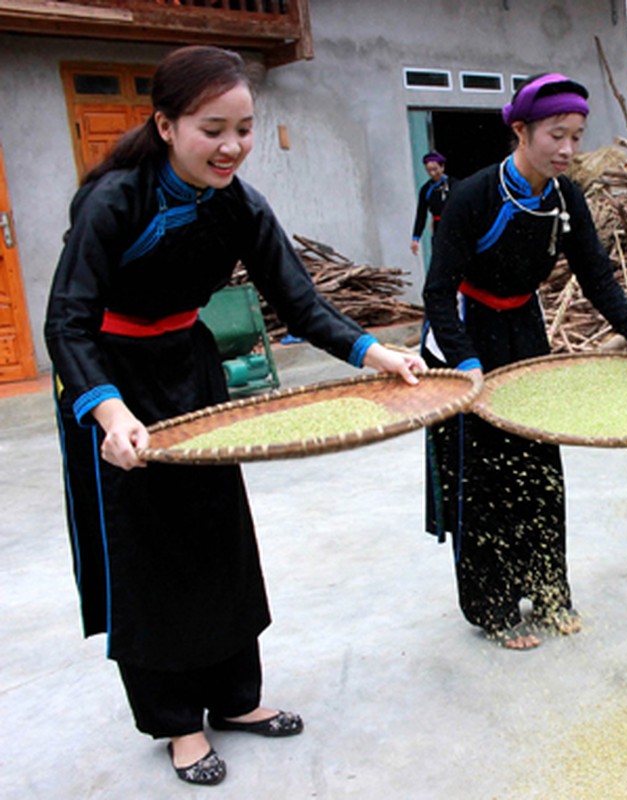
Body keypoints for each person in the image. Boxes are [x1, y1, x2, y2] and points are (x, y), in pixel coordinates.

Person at [44, 45, 424, 787]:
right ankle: (177, 723)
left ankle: (235, 699)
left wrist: (375, 353)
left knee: (217, 534)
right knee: (149, 555)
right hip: (114, 386)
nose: (232, 147)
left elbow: (299, 300)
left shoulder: (239, 203)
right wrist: (109, 412)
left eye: (244, 128)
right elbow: (67, 323)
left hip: (192, 372)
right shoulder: (116, 199)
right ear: (165, 125)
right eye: (212, 129)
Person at [421, 73, 627, 650]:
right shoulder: (472, 196)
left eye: (577, 137)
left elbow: (599, 280)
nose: (567, 149)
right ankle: (495, 608)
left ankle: (550, 590)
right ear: (520, 130)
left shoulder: (566, 199)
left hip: (525, 331)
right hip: (468, 331)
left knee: (539, 467)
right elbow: (438, 292)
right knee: (486, 477)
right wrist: (464, 364)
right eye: (555, 135)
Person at [409, 151, 457, 257]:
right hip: (438, 227)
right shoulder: (426, 190)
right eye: (429, 170)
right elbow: (421, 214)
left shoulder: (454, 184)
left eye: (435, 169)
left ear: (442, 167)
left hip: (455, 225)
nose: (432, 173)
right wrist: (416, 238)